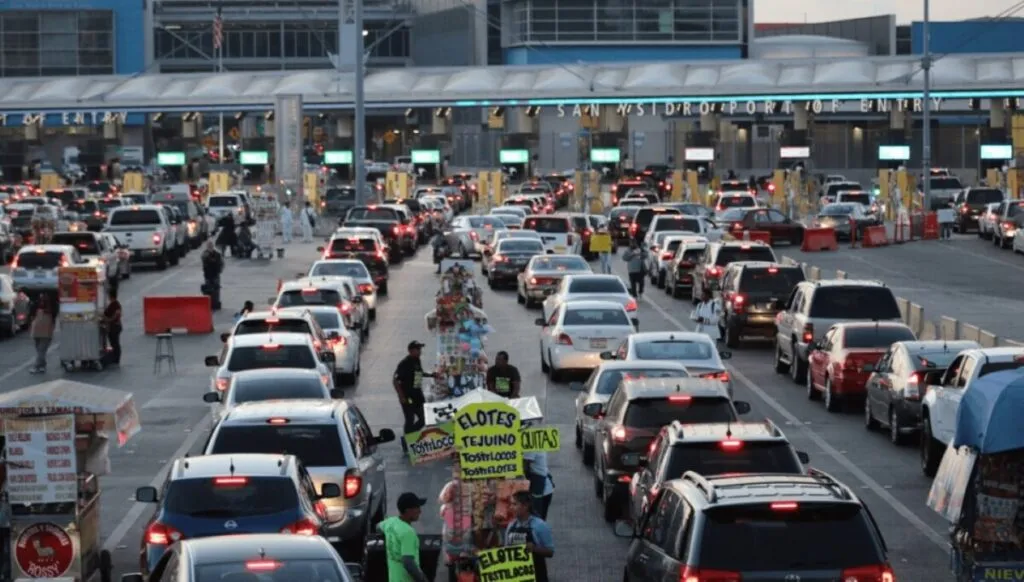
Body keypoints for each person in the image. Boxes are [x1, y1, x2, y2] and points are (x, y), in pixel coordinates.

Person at [378, 492, 430, 582]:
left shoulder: (390, 523)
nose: (420, 511)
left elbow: (378, 527)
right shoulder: (408, 532)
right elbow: (408, 562)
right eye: (417, 507)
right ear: (408, 510)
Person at [393, 341, 434, 454]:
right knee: (409, 419)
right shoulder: (404, 363)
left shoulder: (417, 361)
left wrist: (432, 375)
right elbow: (396, 380)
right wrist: (401, 396)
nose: (420, 351)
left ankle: (410, 437)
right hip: (408, 397)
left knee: (424, 418)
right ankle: (407, 442)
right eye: (417, 349)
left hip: (418, 395)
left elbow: (419, 373)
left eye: (420, 349)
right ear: (411, 351)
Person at [504, 491, 554, 582]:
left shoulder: (540, 525)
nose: (511, 508)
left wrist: (534, 549)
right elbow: (506, 548)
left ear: (525, 506)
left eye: (515, 504)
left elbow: (550, 552)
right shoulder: (511, 526)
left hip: (537, 575)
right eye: (511, 504)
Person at [523, 445, 554, 520]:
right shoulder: (539, 445)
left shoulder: (531, 447)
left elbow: (525, 466)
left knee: (536, 518)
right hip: (546, 488)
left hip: (540, 489)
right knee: (540, 519)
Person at [30, 295, 55, 374]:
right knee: (39, 349)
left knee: (41, 350)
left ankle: (36, 366)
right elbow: (32, 314)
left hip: (45, 331)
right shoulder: (36, 305)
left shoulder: (52, 309)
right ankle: (42, 365)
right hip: (37, 330)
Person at [201, 241, 224, 311]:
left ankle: (215, 303)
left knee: (216, 289)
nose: (210, 247)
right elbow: (204, 260)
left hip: (215, 274)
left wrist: (219, 270)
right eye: (208, 245)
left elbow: (221, 263)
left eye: (211, 245)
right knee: (208, 289)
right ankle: (209, 303)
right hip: (208, 274)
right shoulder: (205, 253)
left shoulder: (217, 254)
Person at [103, 288, 122, 366]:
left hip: (114, 327)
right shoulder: (116, 304)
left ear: (111, 296)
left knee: (115, 343)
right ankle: (115, 357)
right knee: (114, 343)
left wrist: (108, 320)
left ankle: (116, 358)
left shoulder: (114, 305)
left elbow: (116, 315)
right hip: (116, 326)